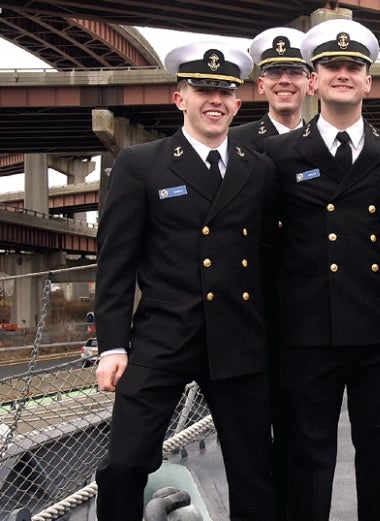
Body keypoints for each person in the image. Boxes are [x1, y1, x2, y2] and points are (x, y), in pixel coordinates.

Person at [93, 41, 276, 521]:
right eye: (202, 90)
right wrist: (112, 345)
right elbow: (116, 262)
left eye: (224, 91)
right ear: (180, 98)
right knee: (124, 463)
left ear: (238, 102)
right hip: (163, 335)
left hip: (239, 336)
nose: (214, 100)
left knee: (254, 468)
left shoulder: (258, 168)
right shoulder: (142, 164)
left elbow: (270, 258)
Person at [263, 19, 380, 521]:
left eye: (354, 67)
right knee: (306, 456)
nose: (343, 74)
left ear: (370, 82)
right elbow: (265, 243)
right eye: (332, 66)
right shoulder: (279, 155)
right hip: (307, 331)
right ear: (314, 80)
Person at [229, 27, 314, 149]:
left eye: (295, 72)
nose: (284, 80)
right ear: (261, 85)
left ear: (310, 84)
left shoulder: (322, 142)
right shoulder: (233, 141)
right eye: (274, 72)